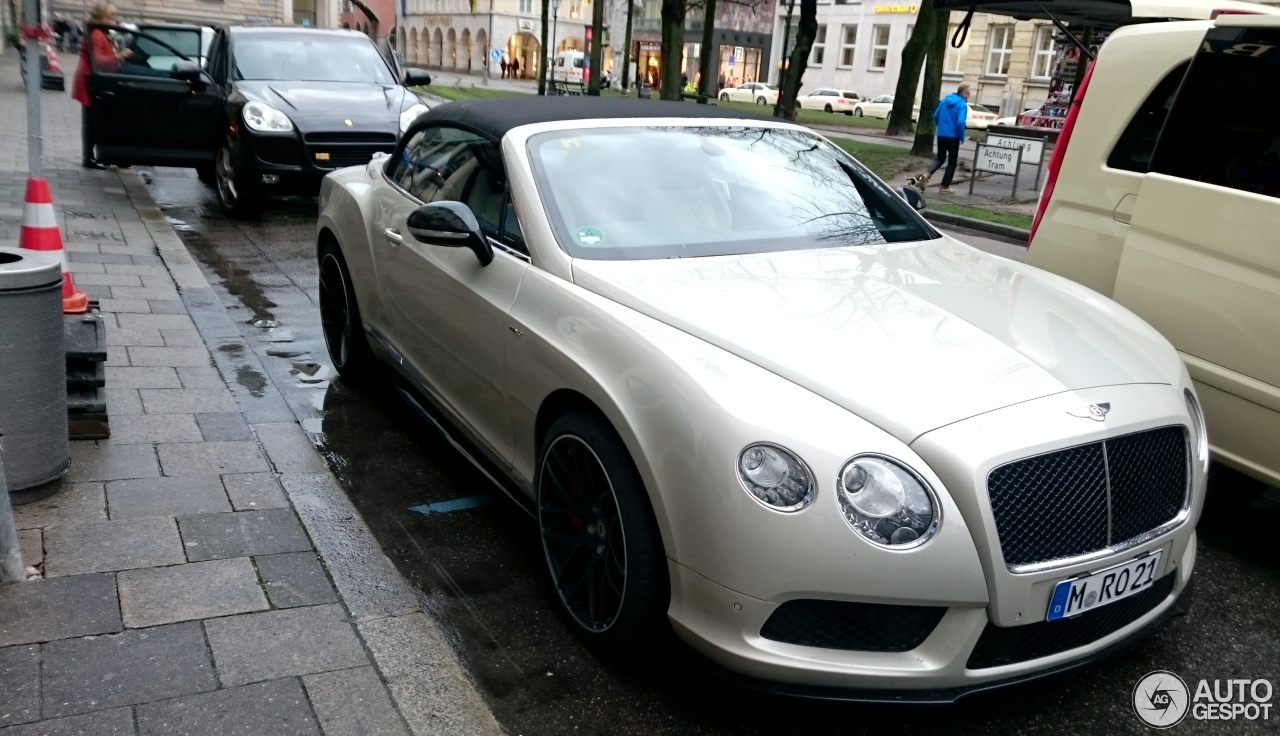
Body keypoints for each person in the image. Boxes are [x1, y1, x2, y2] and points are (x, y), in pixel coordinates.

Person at [71, 3, 132, 169]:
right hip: (90, 80)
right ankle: (89, 158)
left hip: (89, 78)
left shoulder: (96, 31)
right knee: (92, 120)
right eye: (111, 17)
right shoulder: (98, 33)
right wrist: (120, 55)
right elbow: (98, 61)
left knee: (92, 120)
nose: (115, 21)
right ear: (101, 18)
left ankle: (92, 157)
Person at [919, 83, 969, 194]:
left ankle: (927, 174)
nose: (969, 96)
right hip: (953, 137)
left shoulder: (945, 100)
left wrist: (941, 127)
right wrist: (961, 137)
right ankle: (944, 186)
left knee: (940, 159)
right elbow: (961, 122)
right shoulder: (962, 105)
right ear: (963, 93)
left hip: (941, 135)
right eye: (968, 93)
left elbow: (935, 116)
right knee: (952, 162)